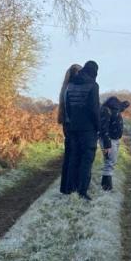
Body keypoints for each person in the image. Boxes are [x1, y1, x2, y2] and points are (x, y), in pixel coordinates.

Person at [64, 60, 101, 201]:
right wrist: (98, 128)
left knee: (74, 158)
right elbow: (94, 109)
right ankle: (82, 191)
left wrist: (71, 122)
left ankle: (70, 188)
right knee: (86, 160)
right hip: (88, 130)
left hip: (73, 128)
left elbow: (67, 106)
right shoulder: (93, 85)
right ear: (95, 72)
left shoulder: (71, 84)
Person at [58, 64, 82, 194]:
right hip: (73, 126)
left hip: (66, 126)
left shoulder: (65, 88)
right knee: (74, 156)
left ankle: (65, 187)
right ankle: (71, 187)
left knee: (68, 156)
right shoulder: (73, 88)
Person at [99, 96, 130, 191]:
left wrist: (125, 104)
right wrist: (107, 145)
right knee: (109, 162)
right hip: (109, 139)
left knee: (111, 162)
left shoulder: (113, 110)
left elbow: (124, 105)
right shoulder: (106, 111)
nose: (120, 111)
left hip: (114, 139)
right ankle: (106, 188)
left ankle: (106, 186)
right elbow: (104, 129)